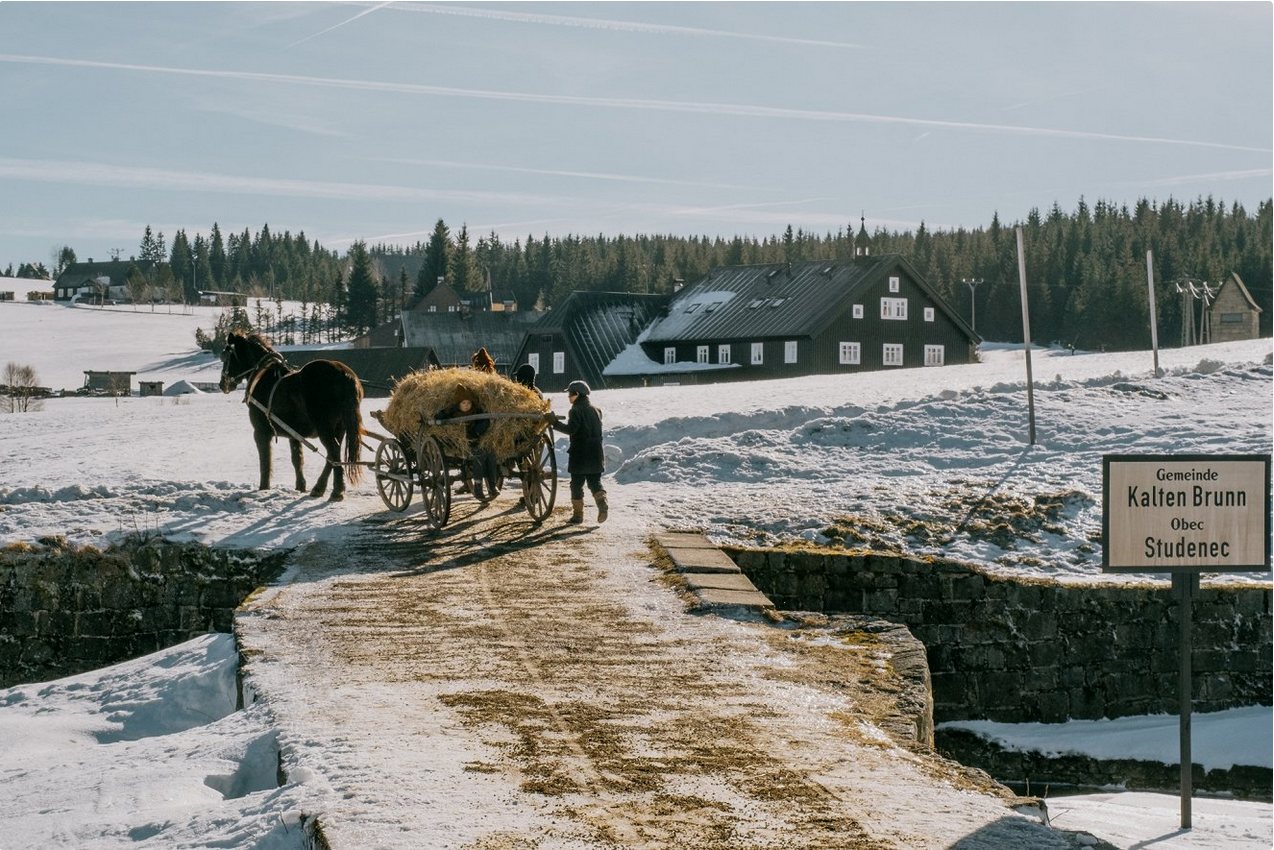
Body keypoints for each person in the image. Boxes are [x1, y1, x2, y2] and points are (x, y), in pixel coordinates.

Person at [550, 380, 607, 524]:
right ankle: (602, 504)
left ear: (577, 394)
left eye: (570, 394)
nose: (568, 397)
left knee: (576, 484)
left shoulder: (575, 410)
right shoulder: (596, 409)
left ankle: (578, 515)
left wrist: (554, 423)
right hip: (596, 452)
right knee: (595, 482)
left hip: (580, 453)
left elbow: (571, 429)